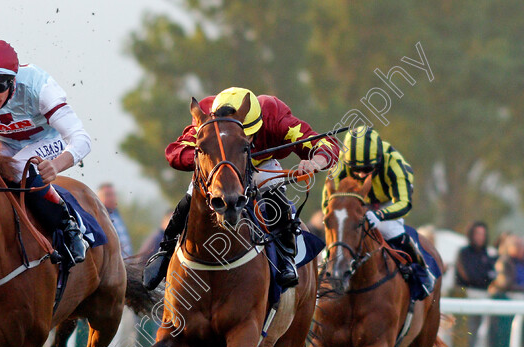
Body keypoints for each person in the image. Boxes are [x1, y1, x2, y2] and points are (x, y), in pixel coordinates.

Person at [143, 87, 339, 290]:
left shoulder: (275, 115)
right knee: (193, 192)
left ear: (259, 126)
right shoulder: (207, 114)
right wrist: (205, 156)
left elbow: (326, 144)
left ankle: (286, 257)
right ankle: (165, 251)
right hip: (221, 169)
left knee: (274, 189)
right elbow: (174, 152)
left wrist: (315, 162)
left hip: (258, 166)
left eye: (247, 135)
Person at [0, 39, 91, 265]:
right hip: (2, 141)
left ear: (12, 80)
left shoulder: (39, 87)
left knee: (16, 168)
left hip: (46, 140)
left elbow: (82, 140)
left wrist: (55, 166)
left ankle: (68, 224)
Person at [325, 126, 436, 298]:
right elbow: (329, 203)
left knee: (391, 231)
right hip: (356, 203)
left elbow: (404, 203)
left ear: (378, 160)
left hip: (386, 202)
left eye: (368, 169)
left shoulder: (394, 164)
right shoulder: (339, 165)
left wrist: (380, 215)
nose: (361, 174)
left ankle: (421, 272)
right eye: (355, 169)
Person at [97, 183, 132, 258]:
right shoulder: (98, 217)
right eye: (108, 195)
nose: (112, 198)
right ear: (99, 197)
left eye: (113, 194)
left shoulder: (116, 214)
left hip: (126, 263)